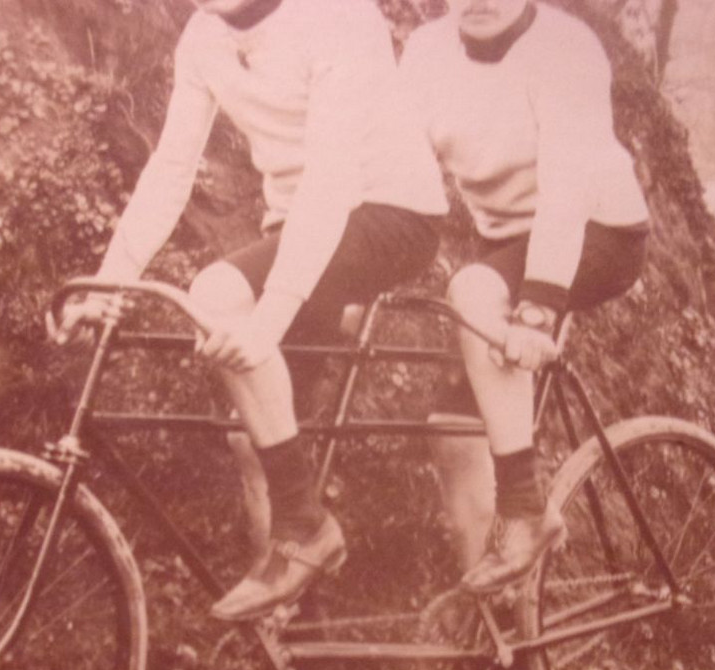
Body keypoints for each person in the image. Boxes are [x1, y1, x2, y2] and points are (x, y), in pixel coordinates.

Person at [58, 0, 448, 621]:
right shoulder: (203, 37)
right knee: (256, 436)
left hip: (390, 213)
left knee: (217, 294)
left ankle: (305, 526)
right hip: (300, 225)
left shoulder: (340, 19)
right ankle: (297, 659)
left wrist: (267, 319)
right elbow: (170, 170)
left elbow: (330, 179)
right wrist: (110, 282)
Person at [402, 0, 650, 592]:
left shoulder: (567, 49)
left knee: (472, 288)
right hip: (509, 243)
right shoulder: (426, 53)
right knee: (454, 433)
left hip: (598, 230)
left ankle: (525, 508)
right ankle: (493, 630)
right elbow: (399, 168)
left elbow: (566, 189)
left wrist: (537, 311)